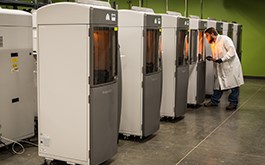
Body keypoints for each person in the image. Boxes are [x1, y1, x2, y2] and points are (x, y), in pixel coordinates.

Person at [204, 27, 244, 110]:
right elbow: (218, 55)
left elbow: (232, 51)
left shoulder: (225, 39)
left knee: (234, 85)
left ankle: (233, 103)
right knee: (218, 84)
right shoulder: (214, 43)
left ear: (212, 34)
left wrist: (222, 59)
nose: (206, 38)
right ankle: (214, 101)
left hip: (230, 67)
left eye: (207, 35)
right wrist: (213, 58)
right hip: (221, 68)